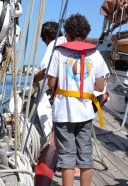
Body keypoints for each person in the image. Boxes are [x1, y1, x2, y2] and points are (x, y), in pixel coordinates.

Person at [47, 14, 109, 186]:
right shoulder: (95, 53)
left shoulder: (59, 52)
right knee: (86, 155)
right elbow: (99, 85)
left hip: (63, 113)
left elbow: (51, 83)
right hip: (85, 112)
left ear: (67, 33)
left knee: (67, 156)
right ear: (86, 33)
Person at [33, 21, 81, 178]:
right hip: (79, 96)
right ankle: (77, 165)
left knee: (63, 130)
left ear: (47, 37)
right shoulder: (68, 44)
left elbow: (47, 70)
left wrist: (34, 79)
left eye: (43, 40)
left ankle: (63, 166)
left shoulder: (54, 44)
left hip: (63, 95)